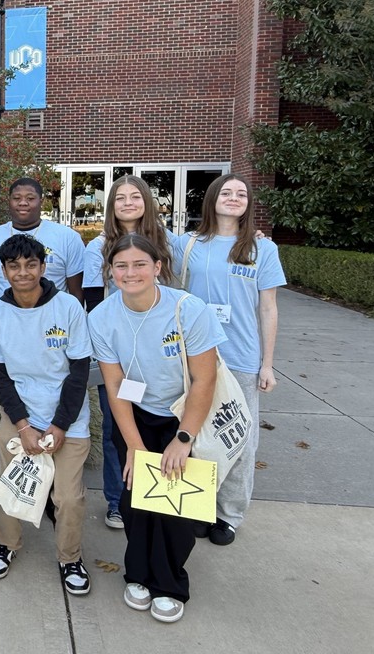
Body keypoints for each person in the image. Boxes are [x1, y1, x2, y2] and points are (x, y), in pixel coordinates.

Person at [89, 234, 226, 624]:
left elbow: (204, 379)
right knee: (135, 500)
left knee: (174, 504)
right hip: (135, 414)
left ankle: (170, 584)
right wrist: (133, 445)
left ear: (157, 268)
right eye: (121, 266)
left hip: (181, 414)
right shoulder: (101, 317)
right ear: (111, 271)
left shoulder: (188, 309)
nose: (130, 273)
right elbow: (114, 387)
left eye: (139, 265)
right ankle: (139, 575)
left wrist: (183, 438)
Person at [0, 235, 93, 596]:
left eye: (31, 264)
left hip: (68, 417)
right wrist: (24, 425)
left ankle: (69, 557)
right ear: (4, 270)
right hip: (20, 414)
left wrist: (59, 425)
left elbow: (78, 374)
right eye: (14, 266)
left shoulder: (70, 307)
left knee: (68, 498)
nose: (23, 272)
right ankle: (6, 543)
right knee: (13, 488)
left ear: (44, 268)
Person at [175, 173, 285, 546]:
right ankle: (200, 506)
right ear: (212, 199)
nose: (234, 198)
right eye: (226, 192)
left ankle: (229, 513)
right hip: (193, 358)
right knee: (195, 435)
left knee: (238, 438)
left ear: (248, 203)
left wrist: (267, 364)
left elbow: (268, 309)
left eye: (241, 193)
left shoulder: (261, 249)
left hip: (240, 357)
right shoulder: (188, 244)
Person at [83, 175, 175, 531]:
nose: (127, 203)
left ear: (146, 202)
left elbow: (209, 246)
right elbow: (93, 301)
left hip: (164, 353)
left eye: (135, 196)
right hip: (119, 353)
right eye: (120, 198)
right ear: (111, 206)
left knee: (167, 426)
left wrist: (253, 234)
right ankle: (118, 500)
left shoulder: (167, 242)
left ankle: (165, 498)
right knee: (115, 428)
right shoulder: (100, 246)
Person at [0, 177, 85, 369]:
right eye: (17, 198)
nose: (23, 202)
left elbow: (77, 292)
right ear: (9, 201)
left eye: (30, 198)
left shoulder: (67, 238)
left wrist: (76, 336)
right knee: (7, 385)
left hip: (52, 331)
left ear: (41, 201)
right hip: (6, 329)